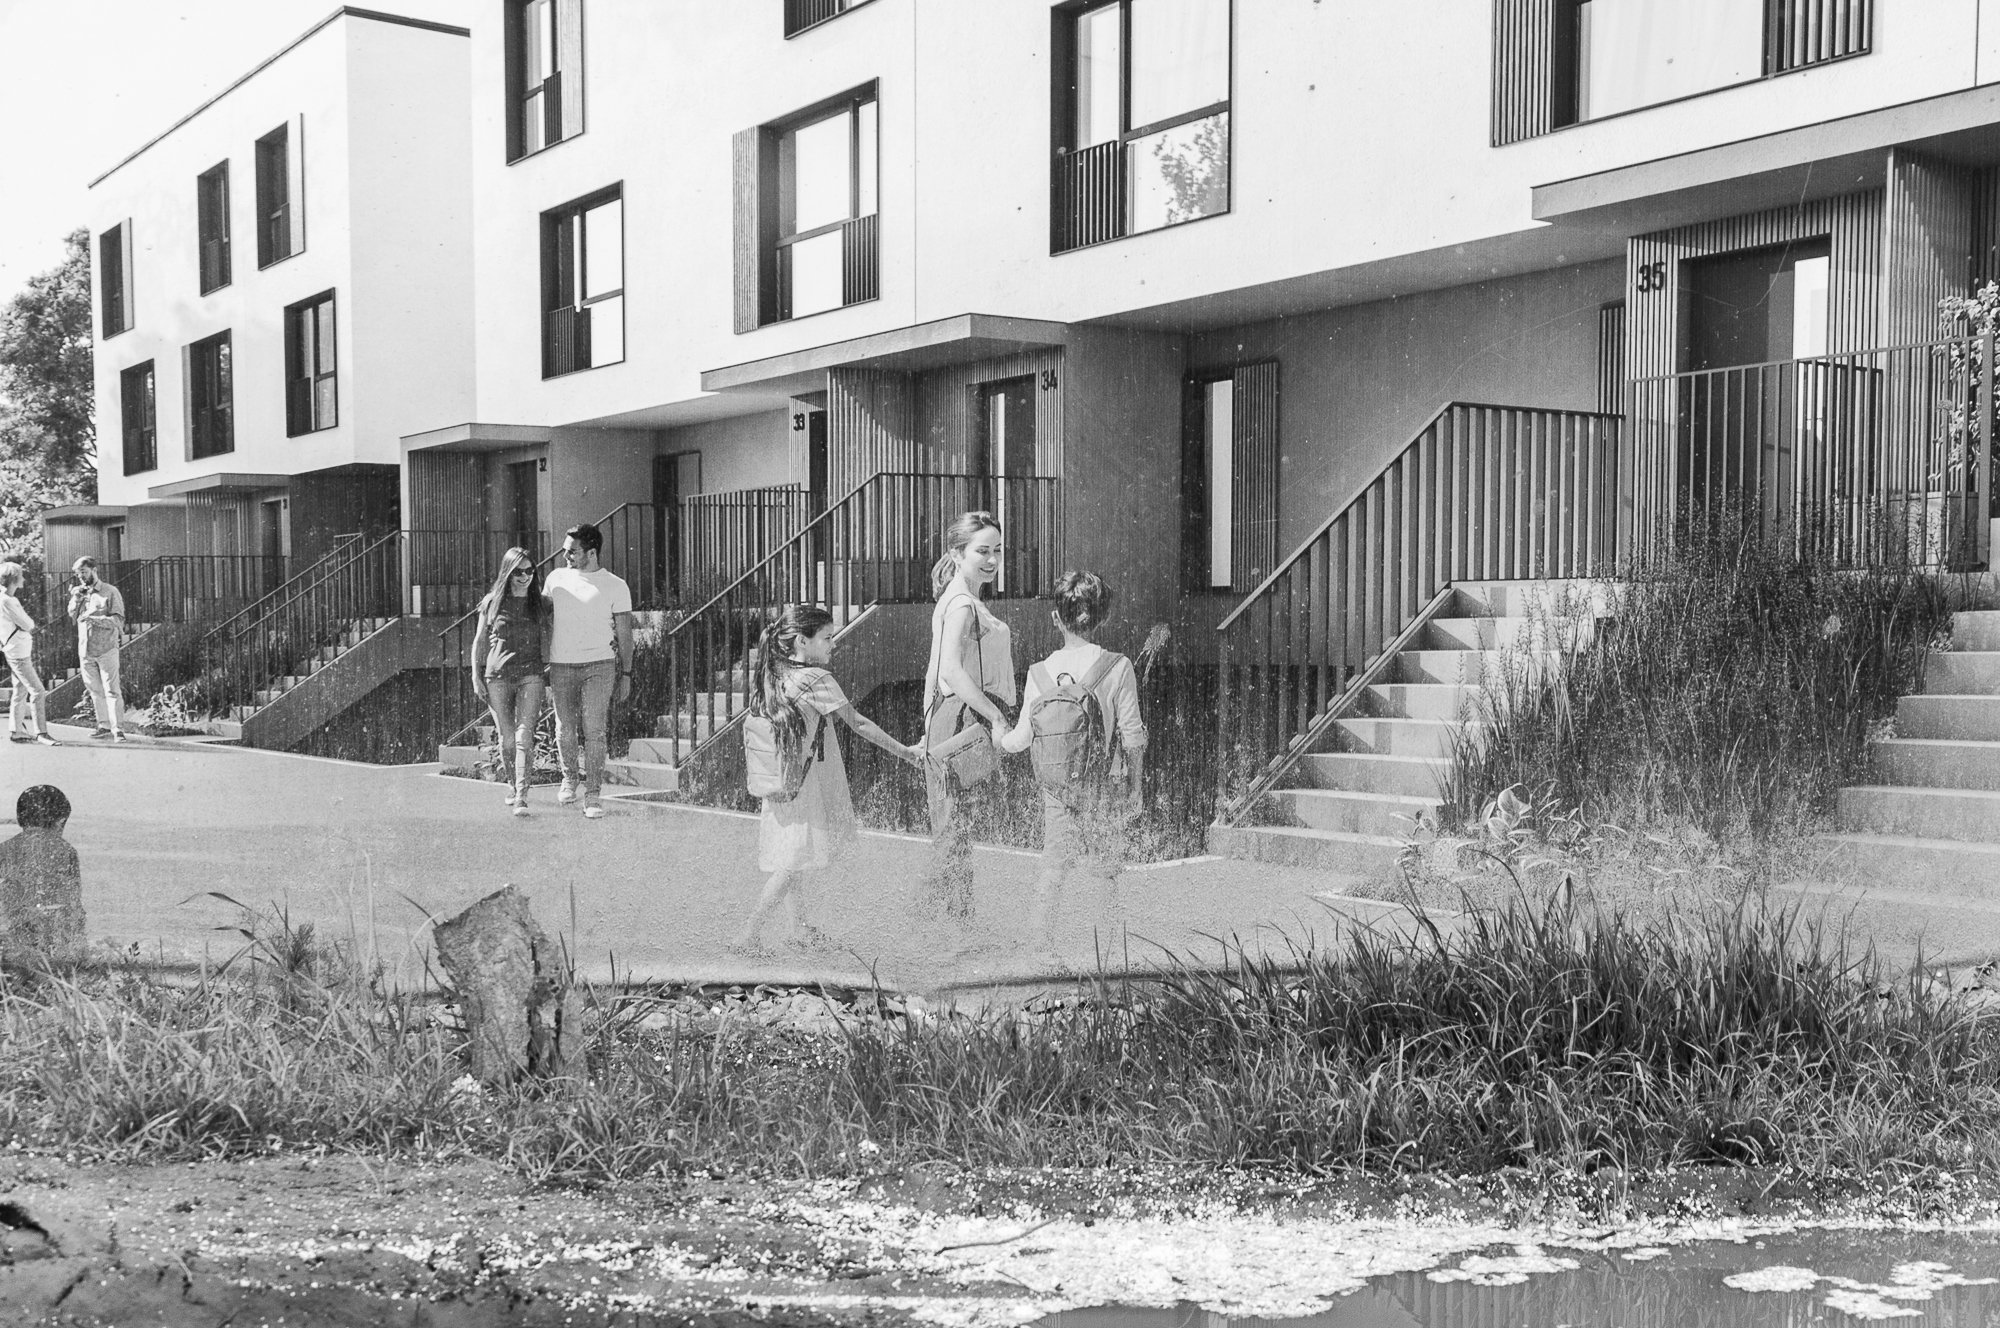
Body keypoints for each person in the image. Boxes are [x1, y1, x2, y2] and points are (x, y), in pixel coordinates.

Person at [731, 604, 923, 955]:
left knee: (792, 856)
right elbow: (858, 723)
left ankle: (799, 929)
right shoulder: (816, 679)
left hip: (778, 778)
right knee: (791, 863)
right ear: (802, 641)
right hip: (803, 783)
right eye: (827, 638)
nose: (833, 644)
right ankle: (748, 934)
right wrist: (907, 752)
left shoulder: (775, 675)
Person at [996, 571, 1147, 951]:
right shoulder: (1118, 666)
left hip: (1057, 789)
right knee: (1104, 873)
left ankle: (1039, 948)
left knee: (1053, 869)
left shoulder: (1038, 673)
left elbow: (1019, 740)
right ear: (1104, 616)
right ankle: (1107, 951)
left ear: (1055, 619)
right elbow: (1132, 735)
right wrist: (1135, 787)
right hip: (1103, 784)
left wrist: (999, 735)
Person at [919, 511, 1016, 923]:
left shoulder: (962, 598)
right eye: (982, 551)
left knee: (955, 830)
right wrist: (996, 718)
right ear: (957, 554)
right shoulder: (961, 603)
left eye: (998, 550)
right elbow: (951, 672)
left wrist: (929, 728)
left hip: (953, 720)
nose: (992, 559)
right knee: (952, 831)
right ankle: (925, 921)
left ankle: (957, 923)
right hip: (963, 720)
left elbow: (935, 672)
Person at [542, 523, 633, 820]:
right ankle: (570, 778)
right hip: (561, 665)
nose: (565, 556)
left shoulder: (615, 585)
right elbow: (542, 620)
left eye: (572, 551)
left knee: (594, 730)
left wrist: (626, 674)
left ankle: (593, 794)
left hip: (600, 666)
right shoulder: (555, 579)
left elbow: (625, 635)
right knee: (565, 729)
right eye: (565, 550)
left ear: (592, 553)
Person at [470, 547, 548, 819]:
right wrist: (475, 675)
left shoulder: (541, 603)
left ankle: (522, 797)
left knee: (524, 736)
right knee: (507, 739)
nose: (525, 577)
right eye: (518, 572)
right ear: (508, 572)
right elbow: (479, 640)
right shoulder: (492, 602)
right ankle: (513, 786)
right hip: (498, 677)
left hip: (531, 675)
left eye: (529, 571)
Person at [0, 784, 85, 960]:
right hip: (52, 932)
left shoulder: (4, 849)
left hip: (15, 929)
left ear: (20, 819)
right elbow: (74, 902)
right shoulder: (66, 850)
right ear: (61, 821)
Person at [66, 556, 127, 742]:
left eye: (84, 572)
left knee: (112, 690)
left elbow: (118, 620)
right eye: (78, 574)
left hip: (106, 649)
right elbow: (72, 616)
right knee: (95, 691)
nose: (81, 577)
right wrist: (76, 598)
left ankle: (118, 730)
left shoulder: (110, 591)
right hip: (86, 651)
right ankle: (104, 726)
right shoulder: (81, 593)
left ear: (94, 570)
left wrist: (94, 619)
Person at [0, 563, 56, 747]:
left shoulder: (7, 599)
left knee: (20, 690)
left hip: (16, 650)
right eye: (21, 575)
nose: (23, 579)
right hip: (18, 652)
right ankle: (41, 732)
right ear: (13, 579)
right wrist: (28, 624)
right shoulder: (7, 601)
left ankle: (16, 731)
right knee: (38, 691)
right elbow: (28, 624)